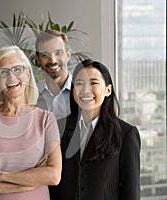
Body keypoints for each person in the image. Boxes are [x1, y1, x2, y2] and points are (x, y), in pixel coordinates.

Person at [0, 45, 62, 200]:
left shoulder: (46, 119)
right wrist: (30, 180)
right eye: (3, 72)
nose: (11, 77)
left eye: (17, 69)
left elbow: (53, 175)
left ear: (27, 74)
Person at [50, 59, 141, 200]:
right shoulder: (58, 127)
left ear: (108, 90)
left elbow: (131, 192)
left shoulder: (126, 134)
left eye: (93, 83)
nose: (86, 90)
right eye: (79, 83)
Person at [35, 29, 73, 138]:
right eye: (45, 55)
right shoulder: (31, 96)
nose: (52, 60)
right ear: (37, 58)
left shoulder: (82, 94)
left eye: (58, 53)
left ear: (68, 54)